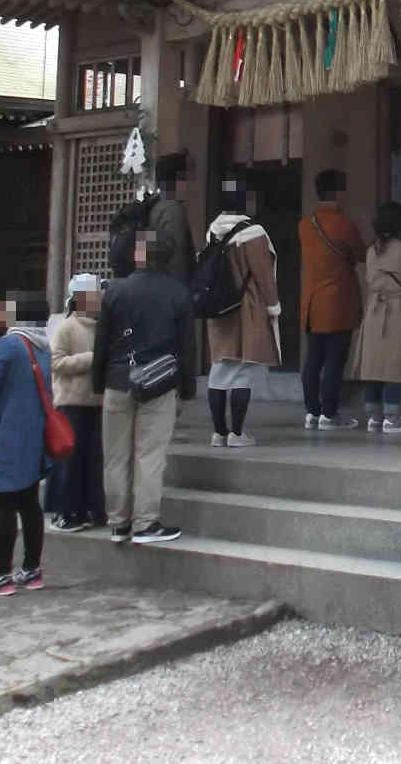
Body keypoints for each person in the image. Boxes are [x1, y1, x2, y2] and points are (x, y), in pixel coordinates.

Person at [91, 231, 196, 545]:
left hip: (117, 380)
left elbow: (101, 343)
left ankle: (118, 522)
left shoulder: (114, 291)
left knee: (115, 456)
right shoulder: (178, 293)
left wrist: (98, 382)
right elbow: (187, 348)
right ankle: (146, 523)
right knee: (149, 455)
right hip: (159, 383)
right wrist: (187, 389)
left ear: (138, 255)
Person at [0, 293, 53, 595]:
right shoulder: (41, 346)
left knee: (3, 505)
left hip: (7, 433)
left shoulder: (8, 344)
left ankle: (1, 575)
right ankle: (32, 570)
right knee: (29, 504)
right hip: (33, 433)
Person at [345, 202, 401, 434]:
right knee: (396, 364)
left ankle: (374, 417)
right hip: (398, 311)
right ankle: (392, 419)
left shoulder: (372, 250)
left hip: (374, 311)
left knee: (374, 365)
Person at [202, 195, 282, 448]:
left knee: (219, 369)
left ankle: (218, 433)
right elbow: (264, 274)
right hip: (245, 307)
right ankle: (237, 433)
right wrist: (273, 306)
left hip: (217, 308)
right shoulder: (254, 233)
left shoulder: (213, 231)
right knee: (243, 372)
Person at [297, 169, 364, 430]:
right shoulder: (344, 224)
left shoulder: (304, 225)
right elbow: (359, 253)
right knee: (335, 360)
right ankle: (329, 413)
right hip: (338, 302)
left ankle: (311, 412)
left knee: (313, 359)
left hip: (312, 303)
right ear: (338, 192)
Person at [45, 273, 105, 531]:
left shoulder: (101, 326)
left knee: (91, 460)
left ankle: (88, 509)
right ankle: (65, 511)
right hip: (71, 403)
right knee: (69, 460)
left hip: (96, 402)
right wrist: (90, 358)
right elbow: (56, 363)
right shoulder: (66, 326)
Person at [143, 152, 195, 281]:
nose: (193, 180)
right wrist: (180, 295)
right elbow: (177, 260)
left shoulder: (156, 205)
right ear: (179, 178)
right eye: (189, 175)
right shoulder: (172, 211)